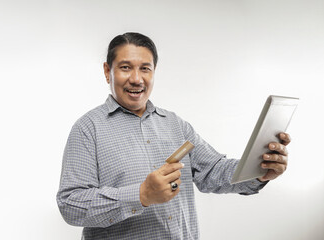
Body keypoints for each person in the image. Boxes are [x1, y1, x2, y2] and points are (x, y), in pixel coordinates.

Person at [56, 32, 290, 239]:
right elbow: (70, 205)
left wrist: (258, 170)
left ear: (153, 72)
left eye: (145, 68)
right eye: (126, 67)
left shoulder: (176, 125)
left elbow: (213, 171)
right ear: (108, 71)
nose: (137, 79)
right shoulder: (87, 129)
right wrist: (141, 194)